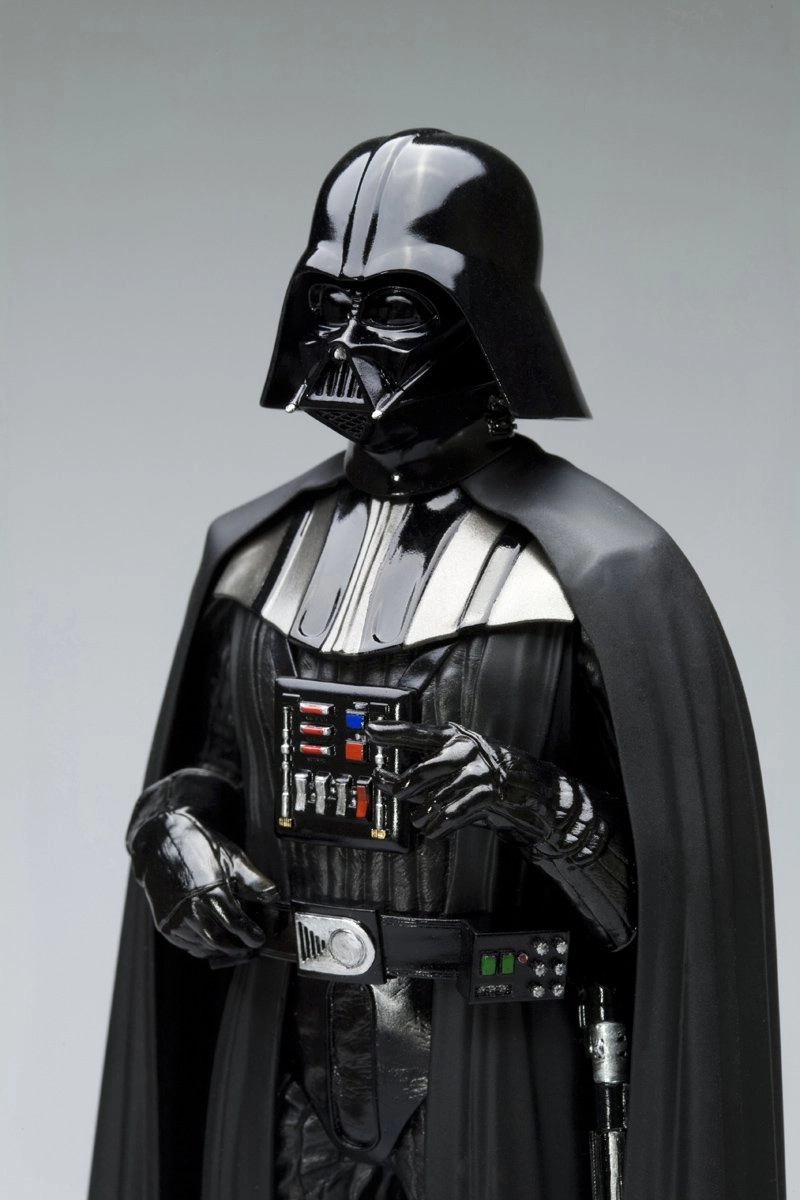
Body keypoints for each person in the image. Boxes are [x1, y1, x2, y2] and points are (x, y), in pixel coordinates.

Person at [90, 129, 784, 1200]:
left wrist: (533, 801)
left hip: (492, 1064)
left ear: (486, 318)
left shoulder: (602, 571)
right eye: (328, 304)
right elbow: (221, 771)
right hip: (280, 1056)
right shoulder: (253, 551)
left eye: (395, 310)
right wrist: (171, 832)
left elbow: (669, 915)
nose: (346, 342)